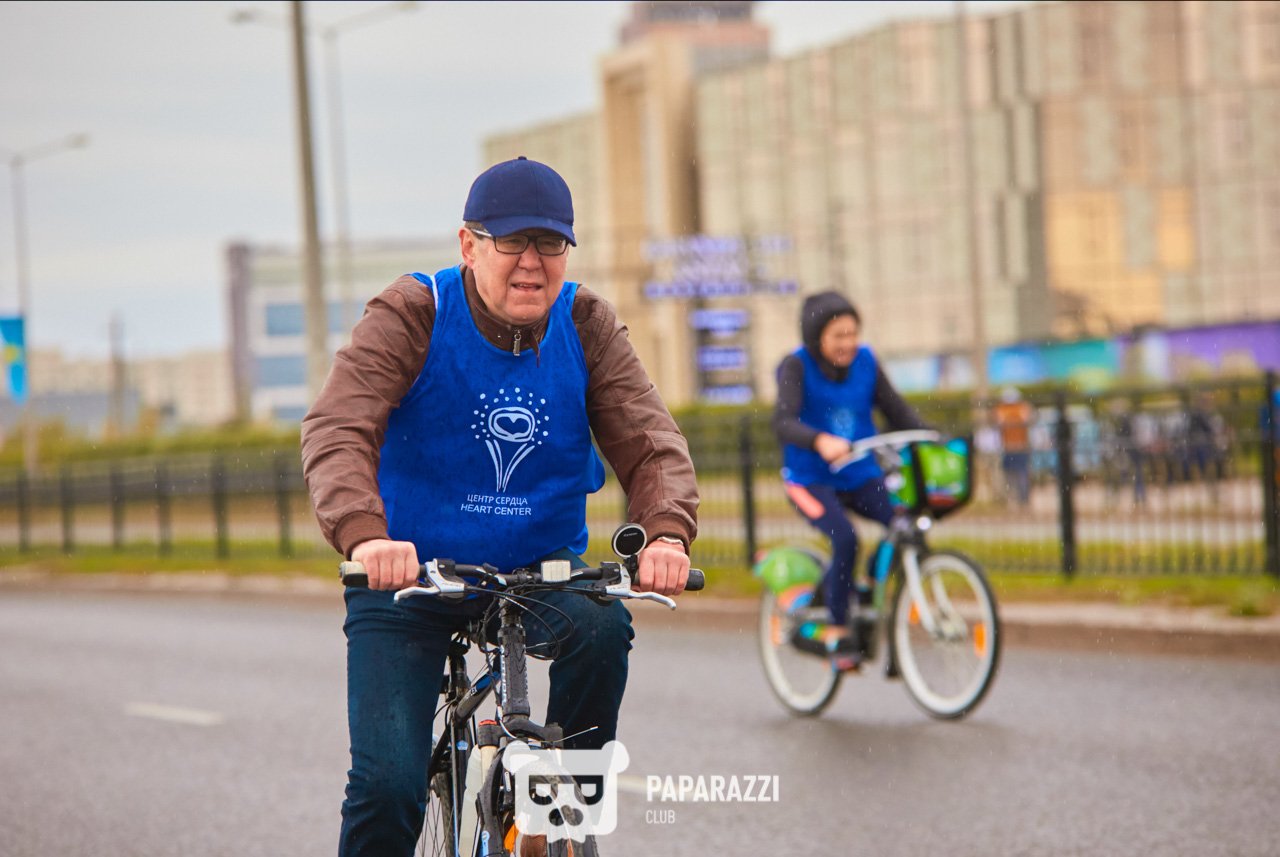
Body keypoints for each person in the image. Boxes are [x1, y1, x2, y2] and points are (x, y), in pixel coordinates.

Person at [301, 156, 698, 856]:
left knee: (602, 626)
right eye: (512, 241)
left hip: (539, 573)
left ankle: (562, 816)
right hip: (410, 580)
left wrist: (665, 533)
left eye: (550, 243)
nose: (532, 262)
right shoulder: (415, 312)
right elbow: (339, 426)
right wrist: (364, 535)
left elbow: (650, 442)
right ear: (469, 245)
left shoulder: (585, 321)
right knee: (388, 787)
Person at [772, 291, 929, 668]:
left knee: (906, 526)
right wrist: (820, 440)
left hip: (859, 474)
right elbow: (783, 422)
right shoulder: (796, 365)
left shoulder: (866, 361)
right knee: (845, 538)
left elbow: (896, 410)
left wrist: (933, 437)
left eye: (853, 333)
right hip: (809, 479)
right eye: (838, 335)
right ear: (817, 339)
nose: (849, 343)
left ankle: (867, 589)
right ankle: (837, 629)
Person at [993, 386, 1034, 507]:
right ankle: (1017, 500)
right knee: (1016, 475)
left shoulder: (1015, 410)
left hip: (1016, 447)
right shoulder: (1019, 409)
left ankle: (1019, 500)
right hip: (1012, 447)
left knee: (1017, 475)